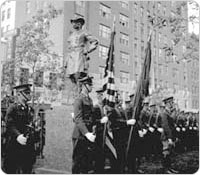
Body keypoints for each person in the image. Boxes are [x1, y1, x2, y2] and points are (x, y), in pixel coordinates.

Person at [3, 84, 36, 174]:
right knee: (11, 169)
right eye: (27, 93)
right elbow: (9, 124)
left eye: (29, 92)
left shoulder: (30, 109)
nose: (29, 95)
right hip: (14, 144)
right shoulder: (13, 108)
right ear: (18, 95)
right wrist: (18, 135)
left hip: (27, 145)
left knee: (27, 168)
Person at [71, 76, 96, 174]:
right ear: (84, 86)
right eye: (90, 85)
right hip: (80, 135)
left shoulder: (90, 100)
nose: (91, 87)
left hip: (89, 135)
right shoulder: (79, 99)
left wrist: (93, 129)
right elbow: (78, 118)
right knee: (77, 163)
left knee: (86, 163)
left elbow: (91, 117)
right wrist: (86, 133)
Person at [65, 17, 99, 84]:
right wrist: (66, 61)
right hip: (71, 56)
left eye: (75, 23)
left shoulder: (84, 33)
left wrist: (88, 50)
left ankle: (80, 89)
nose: (73, 24)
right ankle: (74, 90)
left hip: (79, 54)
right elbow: (69, 48)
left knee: (78, 74)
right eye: (73, 23)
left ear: (79, 24)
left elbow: (95, 41)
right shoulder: (72, 35)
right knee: (71, 76)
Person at [160, 96, 179, 174]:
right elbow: (166, 126)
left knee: (169, 153)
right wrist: (169, 138)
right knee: (166, 152)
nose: (172, 104)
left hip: (170, 136)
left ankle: (169, 168)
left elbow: (173, 125)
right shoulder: (164, 113)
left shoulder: (169, 112)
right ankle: (166, 169)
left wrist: (174, 137)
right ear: (167, 104)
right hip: (166, 136)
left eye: (172, 102)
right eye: (170, 102)